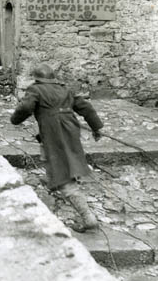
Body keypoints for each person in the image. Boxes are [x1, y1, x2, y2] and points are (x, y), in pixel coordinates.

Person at [10, 63, 103, 231]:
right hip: (71, 128)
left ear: (37, 78)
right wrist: (96, 127)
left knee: (62, 172)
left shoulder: (36, 89)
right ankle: (52, 178)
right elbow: (85, 107)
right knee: (60, 156)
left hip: (54, 131)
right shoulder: (65, 89)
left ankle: (87, 217)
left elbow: (25, 107)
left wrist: (15, 119)